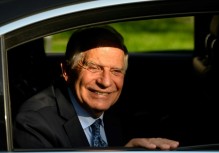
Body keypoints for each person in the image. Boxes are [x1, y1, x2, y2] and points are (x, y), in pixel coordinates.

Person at [13, 25, 179, 150]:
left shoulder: (115, 110)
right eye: (94, 67)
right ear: (66, 71)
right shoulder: (34, 123)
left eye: (116, 71)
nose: (106, 82)